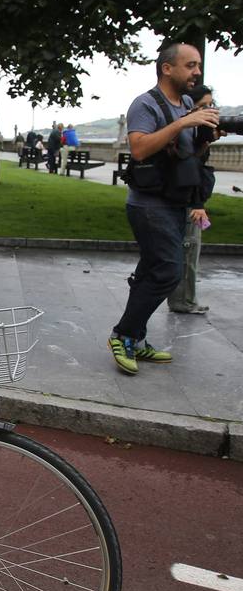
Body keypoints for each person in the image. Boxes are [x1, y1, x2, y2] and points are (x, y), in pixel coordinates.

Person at [108, 43, 219, 375]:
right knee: (169, 272)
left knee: (149, 272)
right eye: (190, 65)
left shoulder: (186, 103)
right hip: (148, 205)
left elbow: (185, 154)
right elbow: (139, 149)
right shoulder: (145, 104)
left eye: (198, 65)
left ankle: (136, 340)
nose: (196, 72)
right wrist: (183, 124)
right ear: (167, 68)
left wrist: (203, 137)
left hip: (175, 202)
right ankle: (123, 335)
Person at [168, 84, 215, 315]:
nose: (209, 111)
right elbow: (191, 170)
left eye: (211, 106)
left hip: (189, 201)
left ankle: (185, 298)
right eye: (203, 106)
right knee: (188, 251)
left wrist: (207, 139)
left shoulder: (193, 134)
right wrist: (198, 204)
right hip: (189, 203)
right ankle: (183, 301)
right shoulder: (186, 133)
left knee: (187, 251)